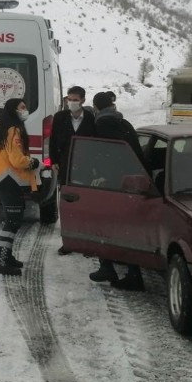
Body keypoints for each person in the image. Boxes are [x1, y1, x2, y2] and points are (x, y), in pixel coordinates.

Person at [87, 90, 146, 291]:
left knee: (105, 226)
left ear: (96, 107)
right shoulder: (124, 123)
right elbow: (134, 153)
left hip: (114, 185)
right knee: (124, 229)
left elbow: (110, 155)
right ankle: (128, 271)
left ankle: (115, 269)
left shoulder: (103, 124)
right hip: (132, 182)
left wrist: (105, 177)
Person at [0, 97, 41, 276]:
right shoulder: (13, 130)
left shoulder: (0, 127)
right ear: (13, 110)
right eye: (22, 107)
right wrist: (34, 162)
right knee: (13, 221)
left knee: (13, 220)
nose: (25, 110)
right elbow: (17, 160)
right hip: (9, 180)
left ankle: (6, 258)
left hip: (0, 178)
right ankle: (1, 261)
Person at [48, 85, 97, 180]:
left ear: (82, 100)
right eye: (69, 99)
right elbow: (53, 140)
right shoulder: (60, 117)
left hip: (84, 165)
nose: (71, 102)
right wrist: (54, 161)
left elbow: (93, 142)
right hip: (64, 163)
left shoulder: (90, 118)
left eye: (75, 100)